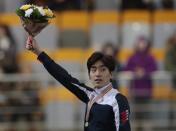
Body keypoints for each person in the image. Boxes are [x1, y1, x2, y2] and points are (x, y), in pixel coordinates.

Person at [25, 36, 131, 131]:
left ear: (111, 74)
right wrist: (38, 52)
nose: (98, 74)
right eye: (93, 70)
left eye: (103, 70)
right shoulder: (90, 94)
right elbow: (63, 77)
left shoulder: (118, 100)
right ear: (89, 75)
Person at [124, 36, 157, 131]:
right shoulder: (132, 57)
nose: (142, 45)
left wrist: (144, 72)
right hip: (134, 89)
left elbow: (154, 69)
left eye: (143, 43)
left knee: (147, 112)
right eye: (140, 43)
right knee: (135, 112)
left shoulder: (150, 57)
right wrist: (135, 71)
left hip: (147, 90)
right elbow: (127, 69)